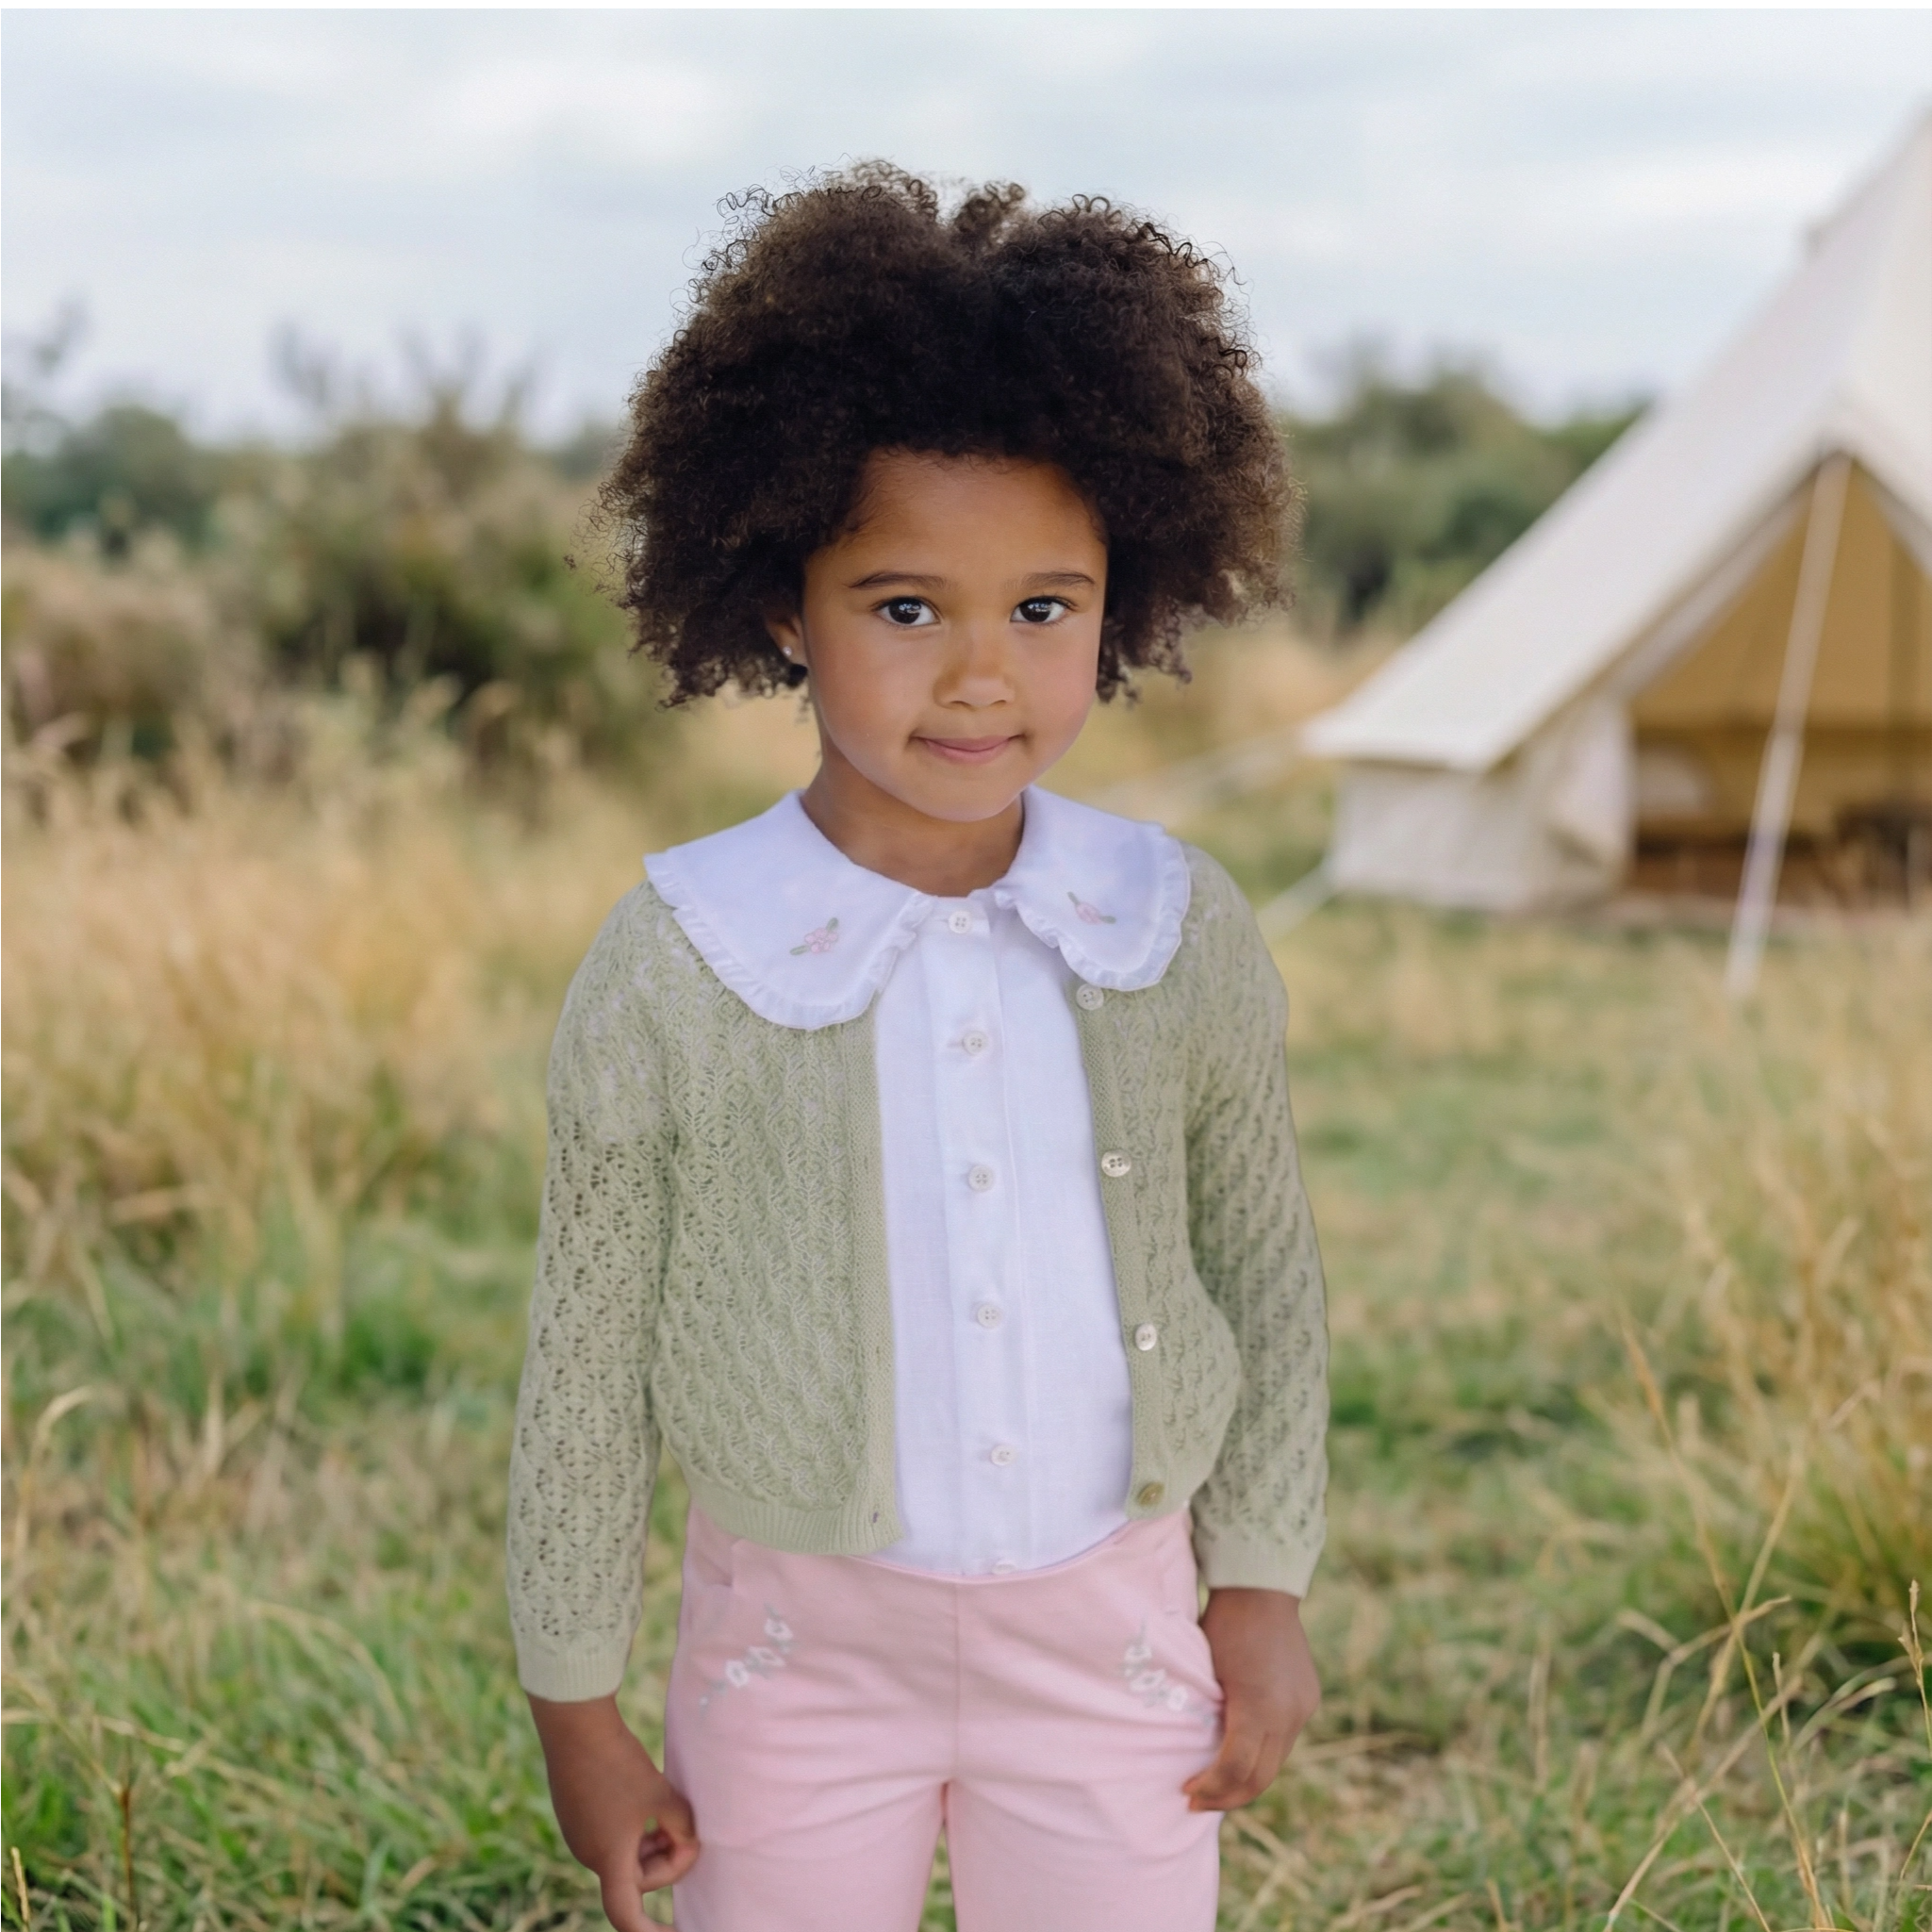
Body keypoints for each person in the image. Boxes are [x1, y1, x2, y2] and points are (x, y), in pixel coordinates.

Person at [506, 165, 1329, 1932]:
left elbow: (1259, 1268)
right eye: (904, 609)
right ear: (783, 607)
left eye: (1044, 607)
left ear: (1129, 598)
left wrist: (1255, 1585)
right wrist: (574, 1699)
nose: (979, 677)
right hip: (795, 1656)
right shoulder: (677, 960)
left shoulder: (1172, 931)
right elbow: (584, 1361)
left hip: (1112, 1636)